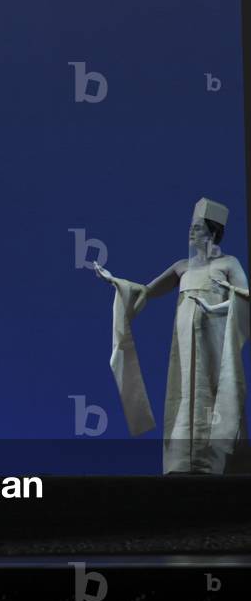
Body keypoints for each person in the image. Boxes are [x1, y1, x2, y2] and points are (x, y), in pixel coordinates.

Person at [95, 197, 249, 474]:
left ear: (213, 232)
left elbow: (245, 299)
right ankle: (182, 460)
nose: (191, 232)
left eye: (198, 227)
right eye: (191, 226)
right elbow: (146, 291)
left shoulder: (228, 263)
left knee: (214, 388)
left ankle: (216, 460)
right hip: (184, 344)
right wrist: (115, 281)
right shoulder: (182, 267)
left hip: (214, 340)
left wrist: (216, 305)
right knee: (182, 391)